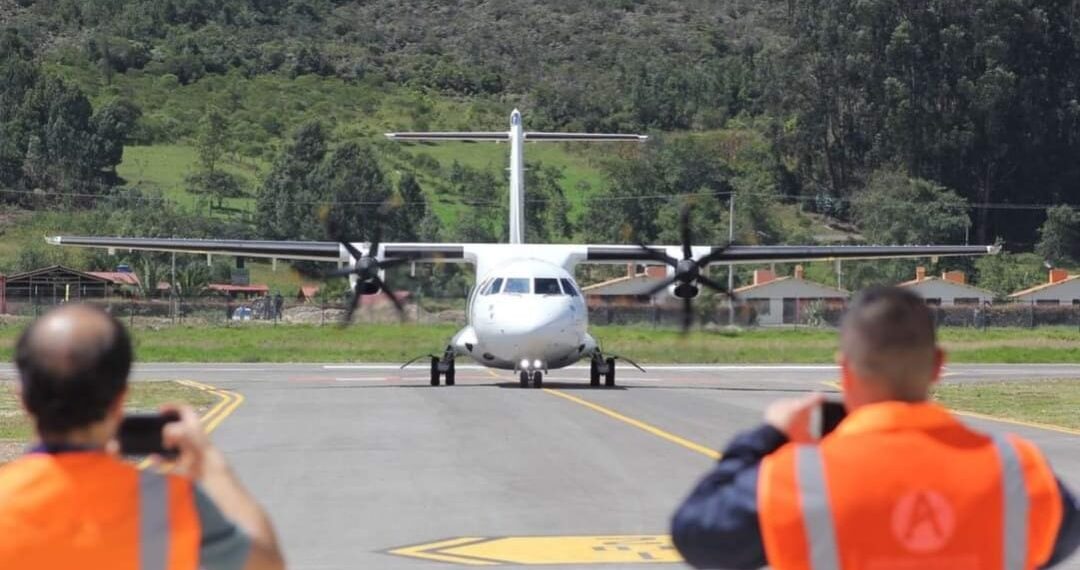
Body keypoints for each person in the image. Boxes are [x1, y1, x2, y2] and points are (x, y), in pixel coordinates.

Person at [671, 287, 1080, 569]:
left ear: (845, 371)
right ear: (939, 365)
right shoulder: (1017, 470)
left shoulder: (798, 476)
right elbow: (1061, 537)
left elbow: (695, 532)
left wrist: (766, 437)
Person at [0, 304, 285, 570]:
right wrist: (211, 464)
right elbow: (267, 562)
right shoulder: (167, 501)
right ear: (120, 399)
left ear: (23, 397)